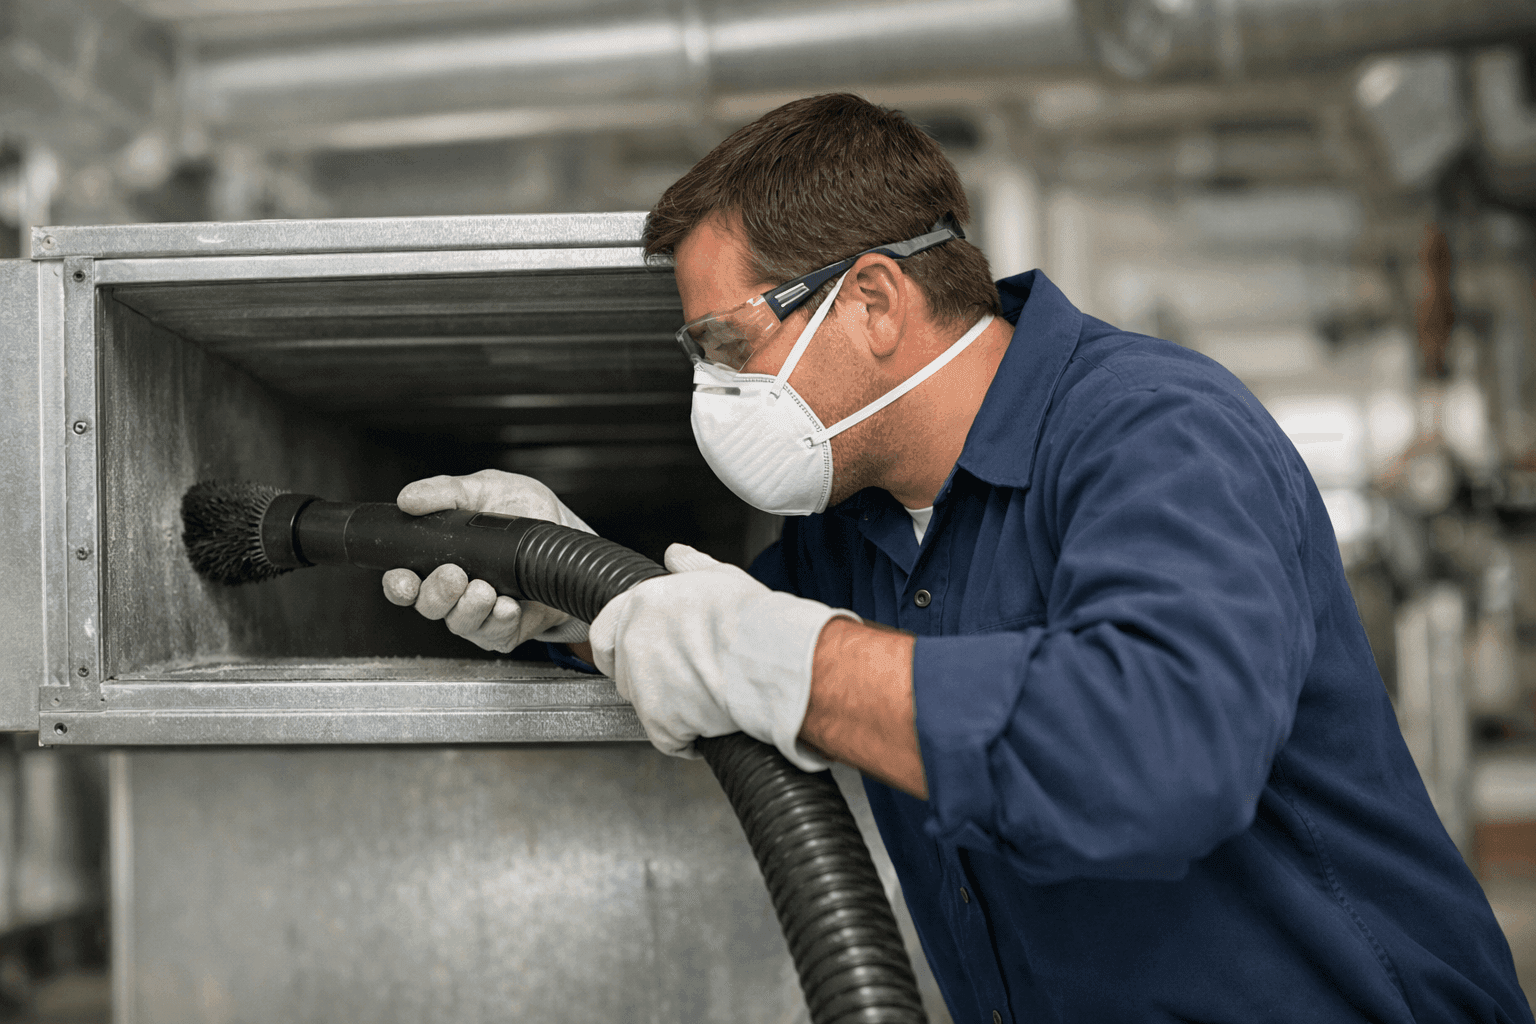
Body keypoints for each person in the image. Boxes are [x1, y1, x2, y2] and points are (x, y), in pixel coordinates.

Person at [380, 94, 1532, 1023]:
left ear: (873, 302)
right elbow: (705, 638)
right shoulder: (857, 533)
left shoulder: (1154, 433)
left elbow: (1157, 752)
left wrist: (795, 663)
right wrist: (561, 585)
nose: (712, 399)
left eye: (729, 350)